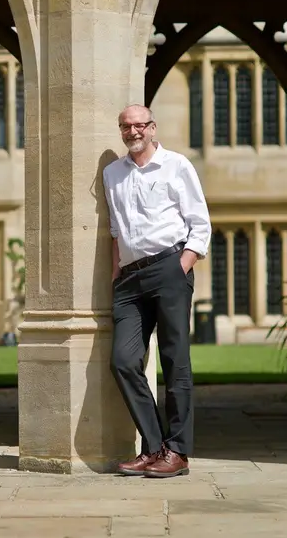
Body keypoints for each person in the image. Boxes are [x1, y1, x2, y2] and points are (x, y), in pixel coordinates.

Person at [102, 104, 211, 478]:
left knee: (174, 361)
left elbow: (200, 222)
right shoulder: (112, 173)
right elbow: (116, 229)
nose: (133, 132)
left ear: (152, 128)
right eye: (125, 126)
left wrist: (182, 266)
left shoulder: (177, 165)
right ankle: (153, 447)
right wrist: (117, 273)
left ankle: (177, 452)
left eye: (139, 125)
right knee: (123, 361)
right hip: (130, 280)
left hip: (169, 267)